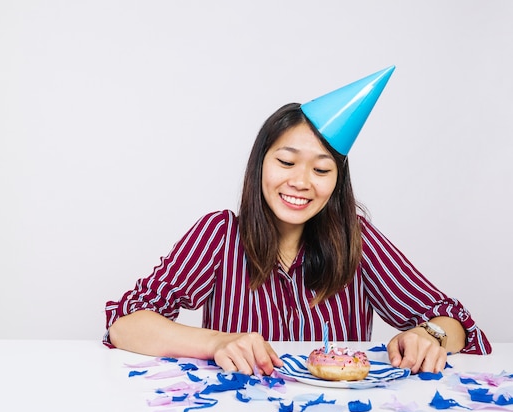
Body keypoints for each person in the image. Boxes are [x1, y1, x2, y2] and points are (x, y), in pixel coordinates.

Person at [104, 66, 491, 376]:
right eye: (286, 162)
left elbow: (454, 321)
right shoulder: (219, 235)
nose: (301, 182)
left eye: (321, 170)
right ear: (260, 165)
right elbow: (126, 323)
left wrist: (429, 335)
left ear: (337, 182)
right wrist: (217, 343)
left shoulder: (356, 239)